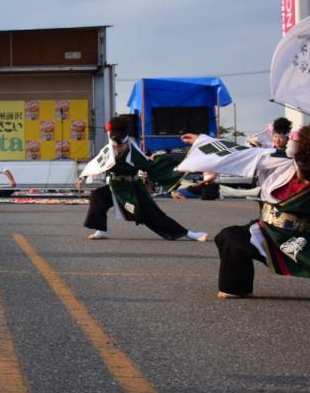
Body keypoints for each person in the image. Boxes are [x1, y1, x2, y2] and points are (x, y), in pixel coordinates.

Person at [176, 128, 310, 298]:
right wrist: (200, 140)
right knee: (232, 238)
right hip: (269, 232)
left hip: (303, 237)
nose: (289, 141)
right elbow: (239, 153)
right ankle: (236, 287)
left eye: (294, 140)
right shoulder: (279, 159)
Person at [77, 114, 207, 242]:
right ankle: (101, 230)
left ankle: (188, 233)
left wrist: (173, 189)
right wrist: (82, 178)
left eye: (121, 146)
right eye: (115, 146)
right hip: (115, 186)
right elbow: (95, 164)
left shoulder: (134, 154)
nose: (118, 148)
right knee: (98, 196)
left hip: (131, 188)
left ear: (126, 142)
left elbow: (154, 169)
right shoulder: (109, 150)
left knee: (152, 214)